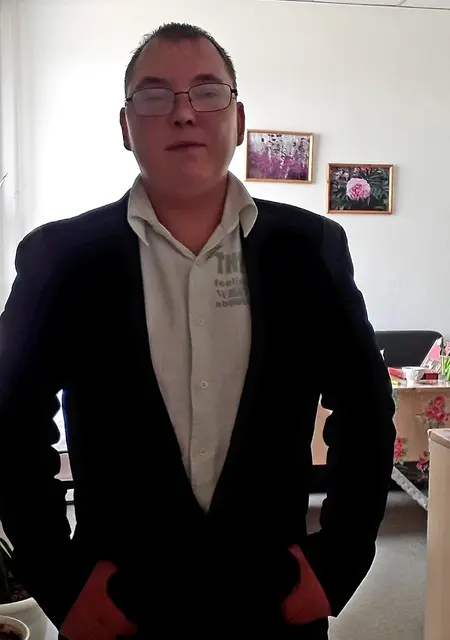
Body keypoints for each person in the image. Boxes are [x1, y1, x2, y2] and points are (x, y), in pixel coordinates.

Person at [0, 22, 395, 640]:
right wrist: (58, 579)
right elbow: (11, 421)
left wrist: (339, 560)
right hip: (118, 607)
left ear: (238, 120)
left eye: (207, 92)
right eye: (155, 95)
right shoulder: (59, 258)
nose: (183, 113)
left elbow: (367, 408)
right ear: (126, 126)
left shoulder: (312, 248)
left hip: (274, 600)